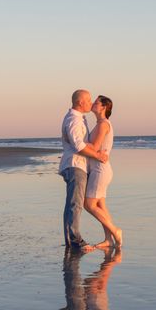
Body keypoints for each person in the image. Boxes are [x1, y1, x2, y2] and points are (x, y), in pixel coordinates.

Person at [59, 90, 108, 250]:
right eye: (88, 100)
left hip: (78, 165)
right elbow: (78, 146)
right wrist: (98, 156)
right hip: (75, 165)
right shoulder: (74, 119)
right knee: (75, 204)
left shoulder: (78, 118)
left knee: (74, 203)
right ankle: (75, 241)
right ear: (80, 102)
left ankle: (72, 240)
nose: (91, 102)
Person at [84, 96, 123, 248]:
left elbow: (94, 147)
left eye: (96, 102)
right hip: (99, 169)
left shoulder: (103, 124)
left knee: (88, 204)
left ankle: (115, 230)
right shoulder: (100, 124)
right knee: (100, 206)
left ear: (104, 107)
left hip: (100, 170)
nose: (92, 103)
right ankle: (109, 239)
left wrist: (76, 143)